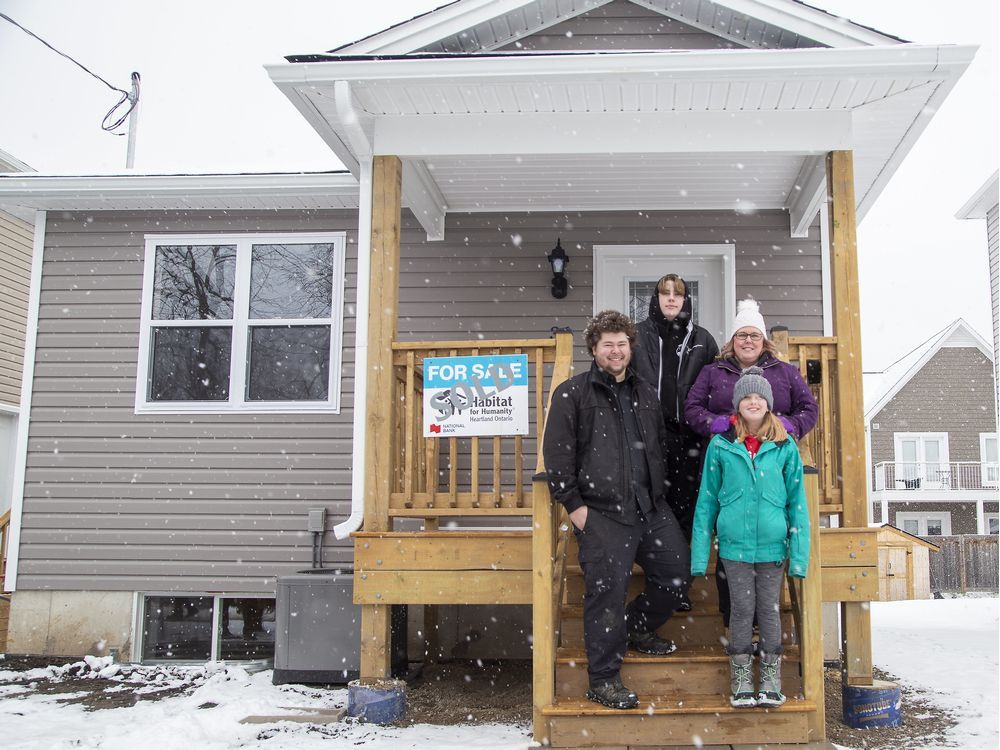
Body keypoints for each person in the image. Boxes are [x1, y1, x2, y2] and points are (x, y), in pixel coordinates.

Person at [543, 310, 691, 710]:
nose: (616, 351)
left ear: (630, 347)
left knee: (677, 574)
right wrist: (574, 506)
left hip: (650, 508)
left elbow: (658, 446)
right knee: (605, 594)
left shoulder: (645, 392)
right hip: (602, 513)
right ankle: (603, 679)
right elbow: (557, 454)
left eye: (622, 343)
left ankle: (637, 628)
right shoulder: (573, 394)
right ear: (594, 349)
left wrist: (661, 492)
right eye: (607, 344)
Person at [683, 297, 817, 628]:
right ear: (732, 341)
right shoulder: (713, 372)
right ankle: (735, 625)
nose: (747, 341)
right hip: (729, 466)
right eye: (741, 335)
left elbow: (808, 409)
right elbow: (692, 408)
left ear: (763, 340)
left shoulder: (784, 373)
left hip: (772, 468)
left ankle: (764, 628)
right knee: (730, 542)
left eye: (754, 335)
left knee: (769, 549)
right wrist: (718, 424)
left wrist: (789, 426)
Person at [689, 366, 810, 708]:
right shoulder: (721, 445)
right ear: (737, 403)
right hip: (734, 547)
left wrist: (799, 557)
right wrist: (700, 556)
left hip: (773, 547)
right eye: (747, 397)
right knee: (742, 609)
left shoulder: (785, 446)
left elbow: (798, 504)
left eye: (759, 397)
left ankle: (770, 676)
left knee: (769, 610)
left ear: (769, 404)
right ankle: (741, 677)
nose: (753, 402)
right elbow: (707, 501)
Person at [634, 274, 719, 540]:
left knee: (686, 502)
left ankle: (683, 561)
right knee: (653, 499)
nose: (671, 298)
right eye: (665, 293)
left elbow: (718, 386)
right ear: (655, 299)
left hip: (688, 438)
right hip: (646, 436)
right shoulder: (636, 336)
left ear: (685, 300)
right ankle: (657, 556)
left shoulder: (702, 340)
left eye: (678, 294)